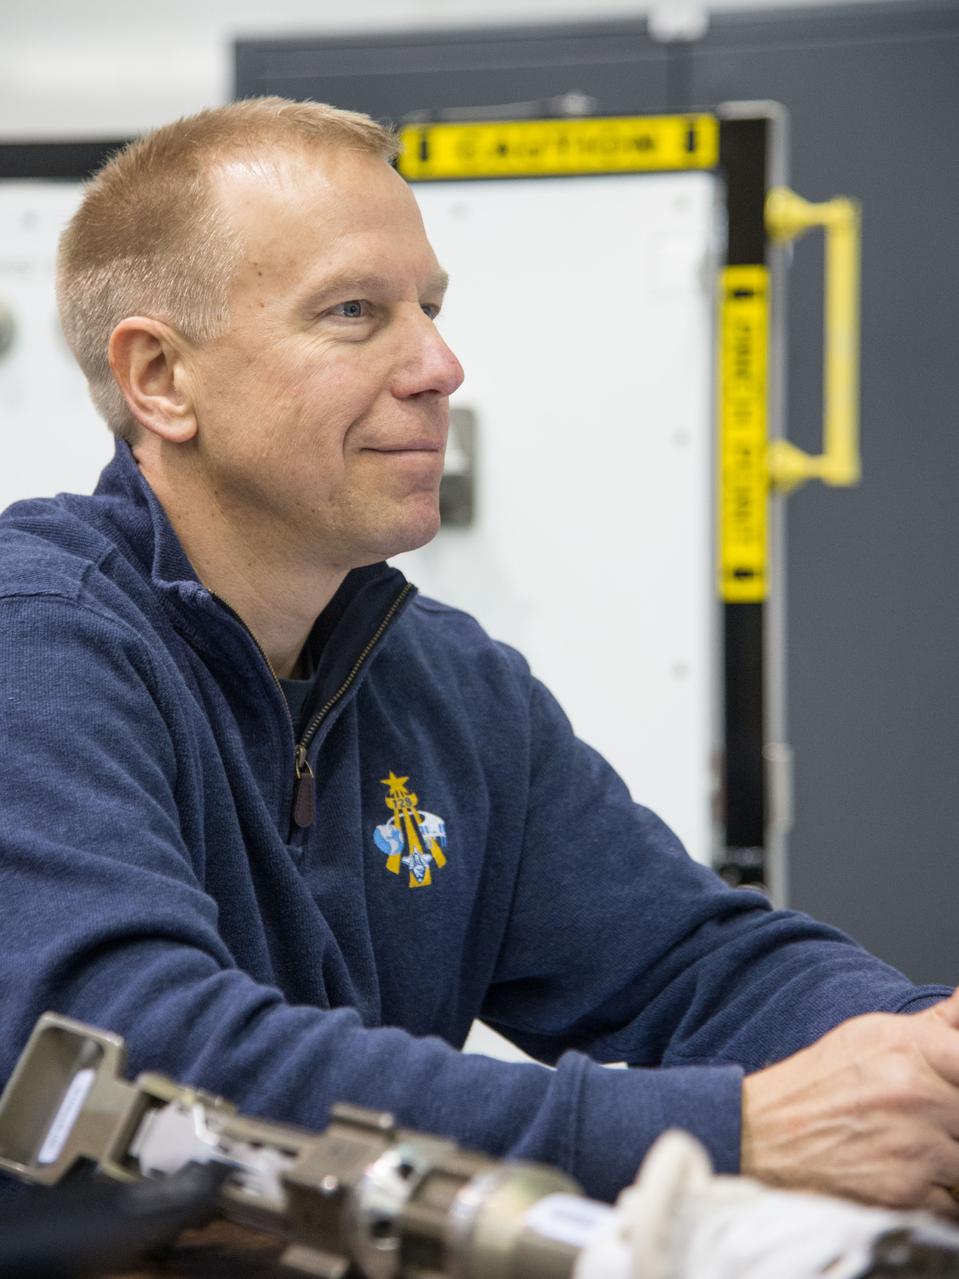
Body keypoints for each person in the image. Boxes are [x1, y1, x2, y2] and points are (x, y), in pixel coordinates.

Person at [1, 96, 958, 1214]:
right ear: (161, 379)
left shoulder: (443, 682)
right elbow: (136, 1068)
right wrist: (730, 1132)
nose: (440, 366)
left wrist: (917, 1051)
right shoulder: (39, 636)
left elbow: (689, 966)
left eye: (432, 307)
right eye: (355, 312)